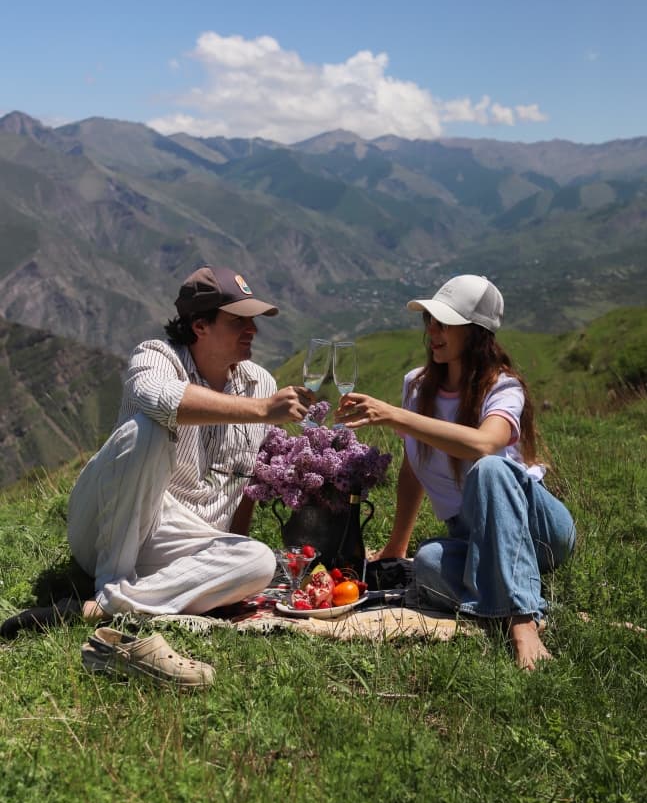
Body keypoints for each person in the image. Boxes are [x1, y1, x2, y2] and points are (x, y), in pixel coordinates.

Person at [337, 274, 575, 670]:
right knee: (428, 563)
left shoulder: (504, 387)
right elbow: (414, 466)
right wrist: (398, 545)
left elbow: (485, 444)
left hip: (537, 528)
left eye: (445, 323)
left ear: (477, 332)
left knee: (490, 470)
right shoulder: (416, 386)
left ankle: (522, 622)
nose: (433, 331)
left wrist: (396, 415)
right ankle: (517, 591)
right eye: (430, 321)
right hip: (471, 534)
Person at [64, 267, 312, 623]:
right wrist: (260, 410)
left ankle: (116, 605)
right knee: (146, 429)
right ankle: (111, 581)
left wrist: (234, 547)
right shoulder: (155, 357)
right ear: (199, 325)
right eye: (238, 321)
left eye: (253, 320)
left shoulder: (260, 382)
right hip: (107, 526)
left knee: (259, 561)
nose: (253, 330)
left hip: (178, 541)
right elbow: (163, 399)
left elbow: (246, 484)